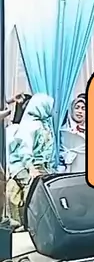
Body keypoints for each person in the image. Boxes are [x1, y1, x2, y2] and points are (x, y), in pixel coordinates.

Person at [6, 93, 55, 226]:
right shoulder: (30, 125)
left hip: (39, 165)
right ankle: (26, 223)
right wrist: (31, 168)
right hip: (23, 165)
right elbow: (24, 149)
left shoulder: (43, 124)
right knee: (32, 191)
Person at [60, 93, 86, 173]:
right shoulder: (63, 131)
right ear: (71, 110)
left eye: (83, 109)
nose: (80, 111)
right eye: (77, 108)